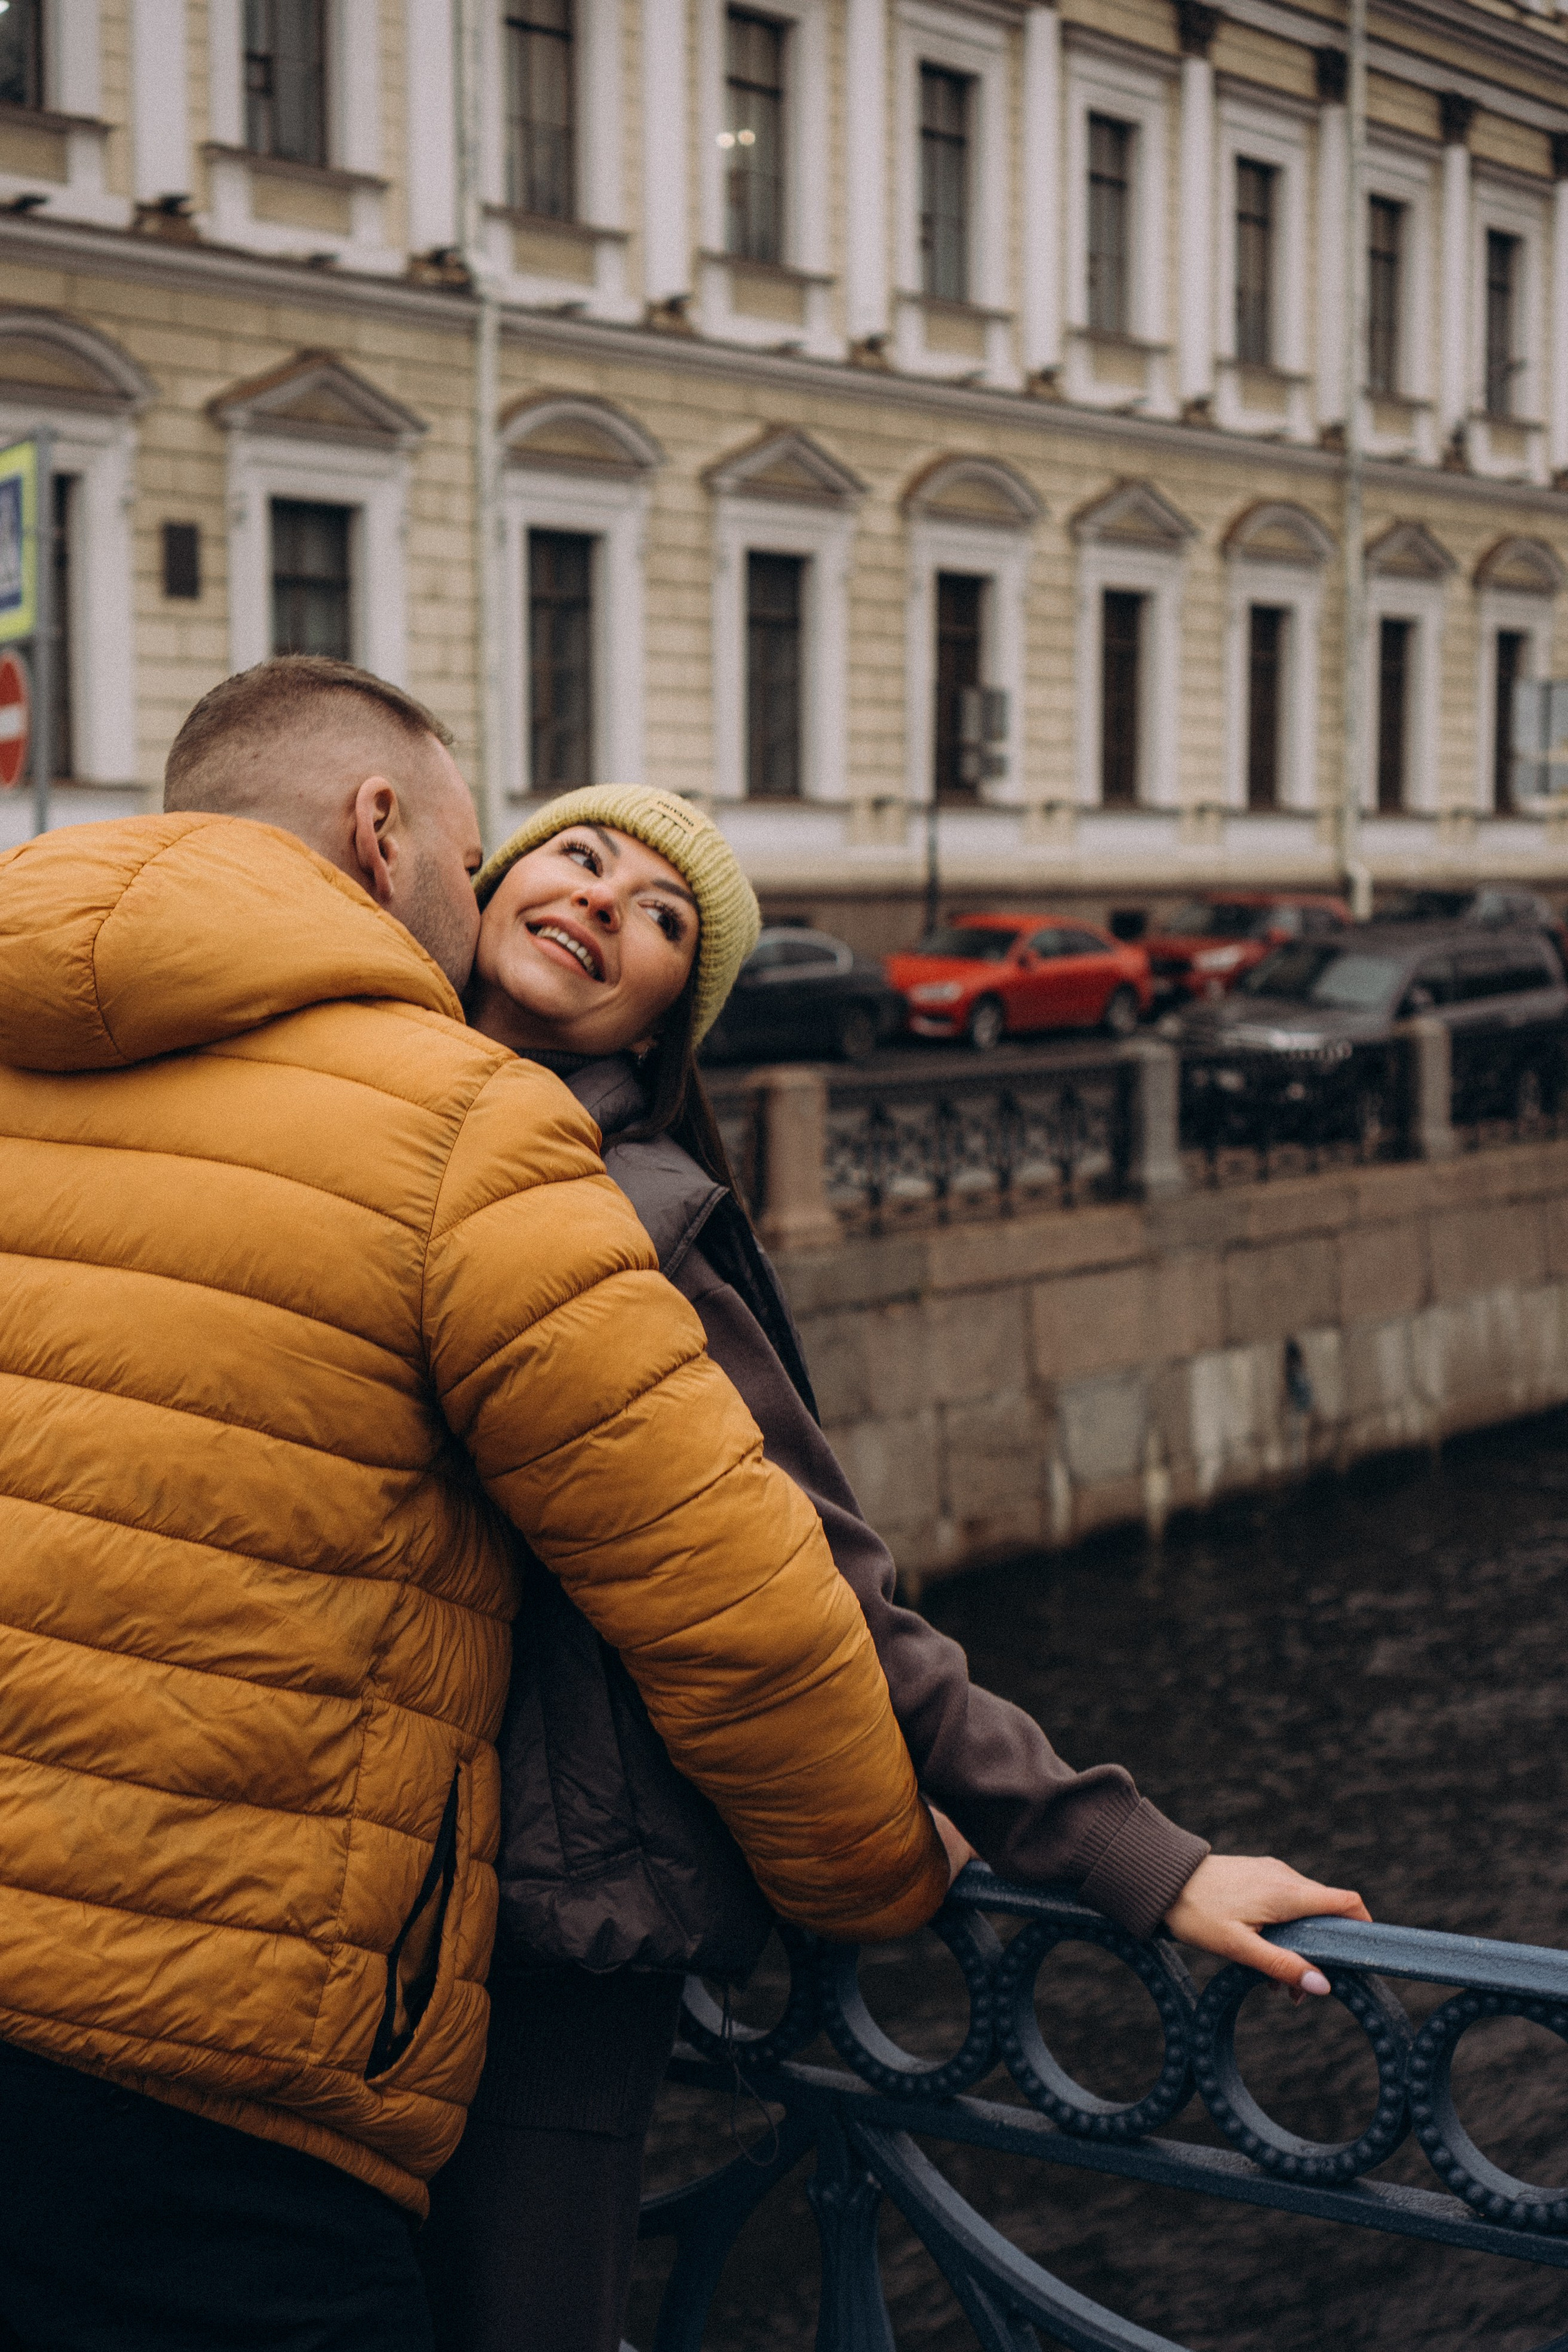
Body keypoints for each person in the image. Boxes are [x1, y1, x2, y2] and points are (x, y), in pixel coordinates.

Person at [0, 660, 959, 2352]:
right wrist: (879, 1872)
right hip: (229, 2082)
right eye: (477, 855)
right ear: (382, 838)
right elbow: (735, 1604)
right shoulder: (468, 1133)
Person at [417, 785, 1370, 2352]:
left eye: (663, 917)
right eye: (578, 856)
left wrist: (1131, 1854)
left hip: (555, 1907)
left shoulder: (641, 1216)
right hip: (353, 1863)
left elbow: (813, 1588)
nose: (601, 901)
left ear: (668, 1024)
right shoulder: (371, 1117)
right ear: (493, 882)